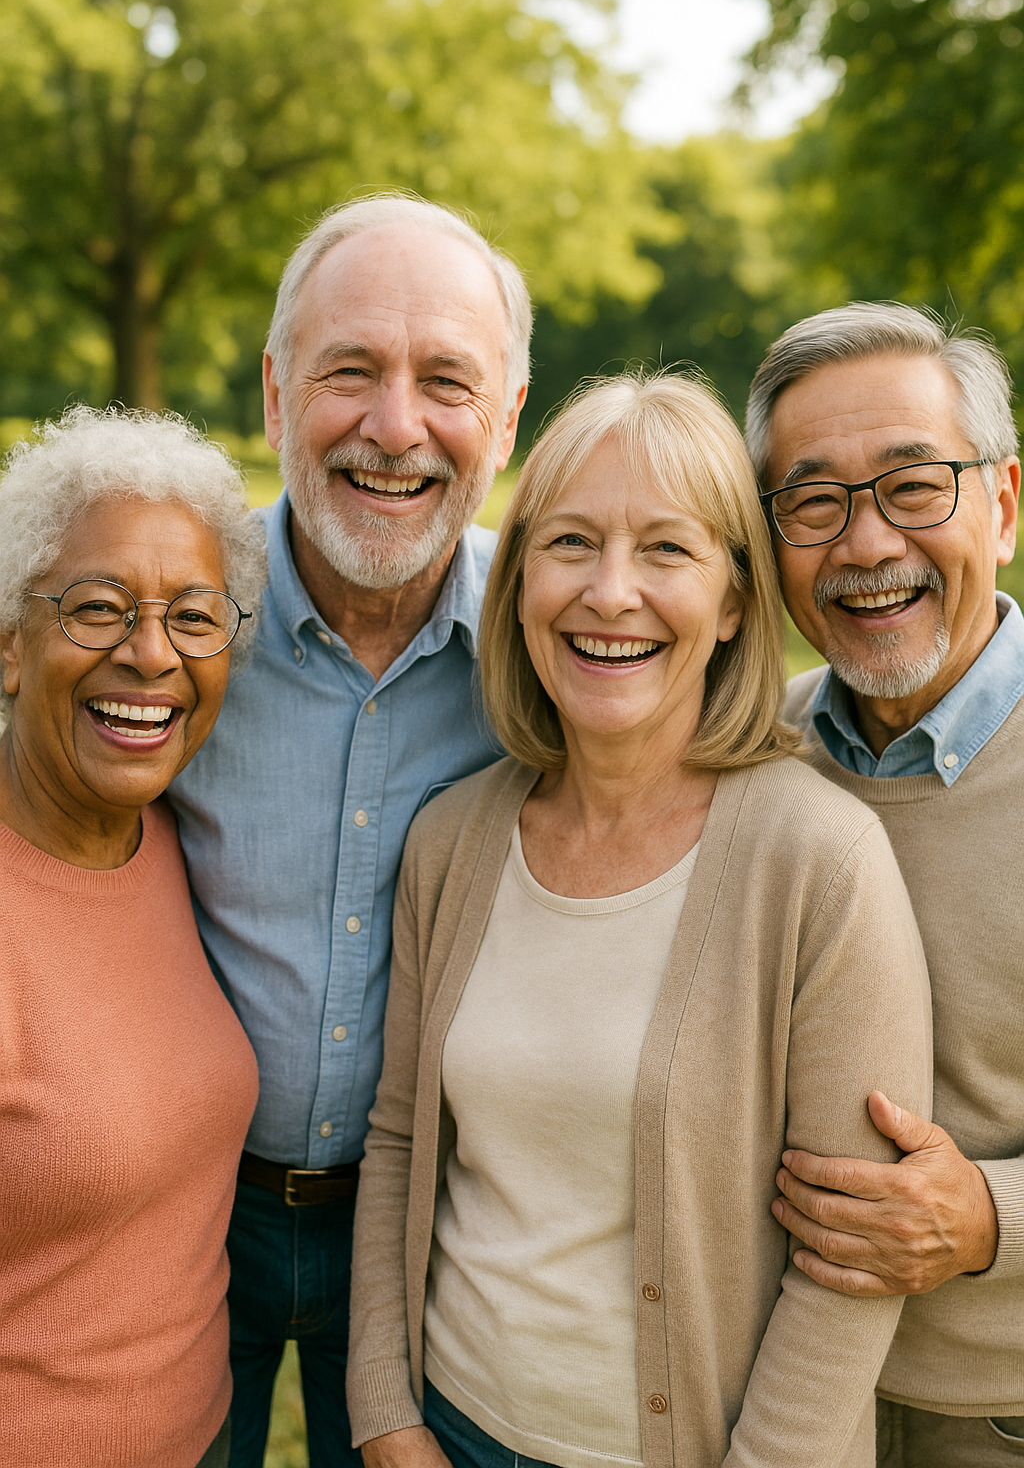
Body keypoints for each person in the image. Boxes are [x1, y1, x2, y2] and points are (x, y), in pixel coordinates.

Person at [346, 373, 932, 1468]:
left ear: (732, 602)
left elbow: (851, 1263)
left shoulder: (819, 862)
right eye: (569, 543)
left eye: (665, 550)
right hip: (453, 1431)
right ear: (515, 584)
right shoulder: (451, 842)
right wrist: (386, 1412)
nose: (609, 594)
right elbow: (399, 1143)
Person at [166, 192, 530, 1466]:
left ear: (505, 420)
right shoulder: (169, 638)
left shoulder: (564, 658)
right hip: (173, 1214)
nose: (394, 426)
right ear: (275, 395)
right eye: (349, 372)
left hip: (433, 1228)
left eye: (446, 381)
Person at [746, 302, 1024, 1466]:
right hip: (783, 1398)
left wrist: (990, 1222)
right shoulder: (753, 759)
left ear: (1002, 504)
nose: (865, 546)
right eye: (814, 502)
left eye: (915, 486)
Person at [0, 406, 265, 1468]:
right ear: (9, 646)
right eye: (98, 607)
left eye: (194, 618)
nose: (150, 654)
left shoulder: (164, 842)